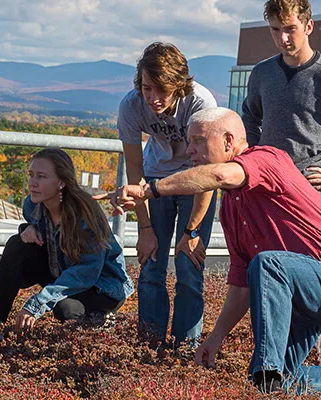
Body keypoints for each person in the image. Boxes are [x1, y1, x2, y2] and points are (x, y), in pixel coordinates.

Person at [100, 108, 321, 395]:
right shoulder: (230, 209)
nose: (189, 150)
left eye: (198, 140)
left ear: (229, 141)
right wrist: (214, 339)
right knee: (281, 384)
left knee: (267, 266)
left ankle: (267, 370)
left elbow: (218, 175)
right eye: (189, 141)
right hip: (297, 297)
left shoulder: (266, 158)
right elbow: (240, 287)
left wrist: (150, 190)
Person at [118, 42, 218, 346]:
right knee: (151, 265)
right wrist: (145, 229)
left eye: (162, 90)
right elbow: (134, 169)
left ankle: (185, 348)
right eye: (147, 88)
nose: (153, 98)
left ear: (179, 85)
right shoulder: (131, 105)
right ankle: (150, 345)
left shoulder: (201, 104)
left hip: (195, 180)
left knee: (189, 266)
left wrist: (192, 230)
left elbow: (209, 173)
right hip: (154, 179)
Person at [0, 149, 134, 337]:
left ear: (61, 182)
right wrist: (27, 228)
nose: (33, 183)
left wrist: (36, 305)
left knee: (65, 309)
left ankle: (102, 320)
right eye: (31, 175)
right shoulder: (32, 205)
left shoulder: (86, 216)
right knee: (17, 244)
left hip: (100, 286)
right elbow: (35, 226)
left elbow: (86, 272)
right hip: (62, 270)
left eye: (41, 176)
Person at [241, 0, 321, 202]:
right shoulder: (261, 73)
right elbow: (250, 120)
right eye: (275, 29)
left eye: (290, 29)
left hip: (311, 191)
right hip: (266, 184)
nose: (282, 38)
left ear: (309, 27)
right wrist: (255, 159)